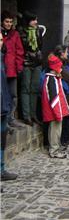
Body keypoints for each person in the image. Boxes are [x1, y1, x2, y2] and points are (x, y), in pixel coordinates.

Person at [41, 54, 69, 158]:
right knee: (55, 130)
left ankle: (54, 148)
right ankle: (54, 150)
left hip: (54, 110)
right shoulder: (52, 79)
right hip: (54, 110)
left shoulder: (52, 78)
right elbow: (54, 98)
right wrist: (58, 113)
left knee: (54, 129)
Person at [19, 11, 45, 126]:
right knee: (26, 88)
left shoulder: (38, 31)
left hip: (37, 62)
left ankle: (33, 115)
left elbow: (40, 45)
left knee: (34, 88)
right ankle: (26, 115)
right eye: (34, 20)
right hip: (26, 62)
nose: (36, 22)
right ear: (28, 21)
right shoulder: (21, 31)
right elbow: (24, 47)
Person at [1, 11, 24, 127]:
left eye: (10, 22)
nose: (9, 24)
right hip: (2, 69)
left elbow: (19, 51)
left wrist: (19, 67)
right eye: (6, 21)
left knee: (13, 95)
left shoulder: (15, 34)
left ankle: (11, 117)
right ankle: (4, 118)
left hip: (12, 70)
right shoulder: (1, 34)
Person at [1, 32, 18, 180]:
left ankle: (1, 169)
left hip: (3, 108)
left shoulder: (2, 60)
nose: (1, 42)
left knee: (2, 141)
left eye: (1, 40)